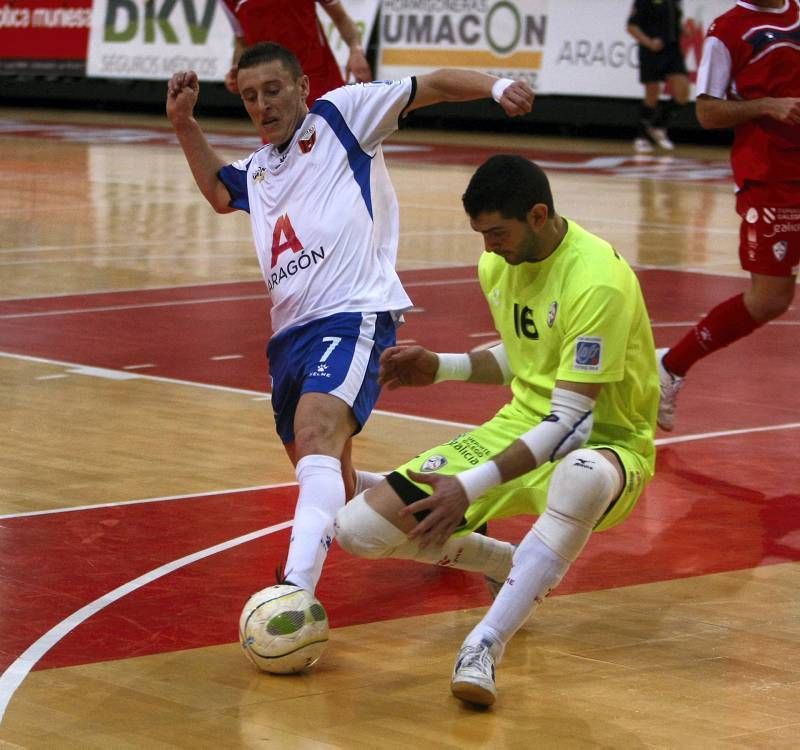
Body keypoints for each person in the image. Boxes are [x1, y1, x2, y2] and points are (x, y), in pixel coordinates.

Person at [166, 43, 534, 603]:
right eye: (249, 96)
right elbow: (220, 190)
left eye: (272, 90)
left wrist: (494, 87)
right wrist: (183, 123)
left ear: (301, 87)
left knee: (316, 434)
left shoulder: (342, 116)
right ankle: (492, 550)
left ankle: (294, 594)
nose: (262, 105)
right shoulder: (260, 168)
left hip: (353, 311)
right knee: (333, 488)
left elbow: (430, 84)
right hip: (288, 337)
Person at [334, 155, 659, 706]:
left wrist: (472, 485)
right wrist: (445, 365)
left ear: (538, 215)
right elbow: (525, 354)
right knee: (359, 532)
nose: (489, 248)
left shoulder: (598, 281)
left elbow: (568, 424)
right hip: (520, 428)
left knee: (577, 476)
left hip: (606, 442)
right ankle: (504, 563)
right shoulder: (498, 266)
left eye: (498, 233)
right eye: (481, 235)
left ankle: (484, 643)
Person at [656, 0, 799, 432]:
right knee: (771, 299)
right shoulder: (727, 31)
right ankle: (671, 366)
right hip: (770, 177)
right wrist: (766, 105)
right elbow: (707, 112)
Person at [219, 0, 372, 103]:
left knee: (339, 148)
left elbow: (341, 18)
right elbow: (242, 40)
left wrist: (356, 50)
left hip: (320, 83)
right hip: (272, 96)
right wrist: (237, 68)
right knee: (286, 151)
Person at [626, 0, 691, 152]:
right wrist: (649, 42)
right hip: (651, 52)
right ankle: (641, 136)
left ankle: (657, 126)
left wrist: (682, 30)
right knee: (652, 93)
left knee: (683, 94)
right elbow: (631, 27)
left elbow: (672, 23)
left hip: (672, 50)